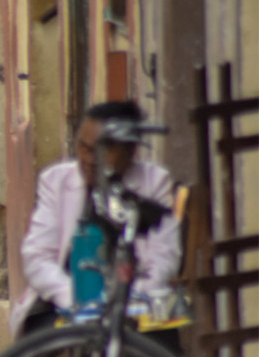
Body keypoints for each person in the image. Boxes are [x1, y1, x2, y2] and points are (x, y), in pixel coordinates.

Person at [10, 100, 181, 338]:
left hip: (133, 301)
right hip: (64, 298)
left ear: (130, 151)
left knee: (151, 352)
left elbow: (163, 257)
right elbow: (37, 256)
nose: (90, 159)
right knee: (61, 348)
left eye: (104, 149)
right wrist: (75, 299)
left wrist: (129, 298)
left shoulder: (154, 182)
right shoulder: (55, 181)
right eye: (84, 148)